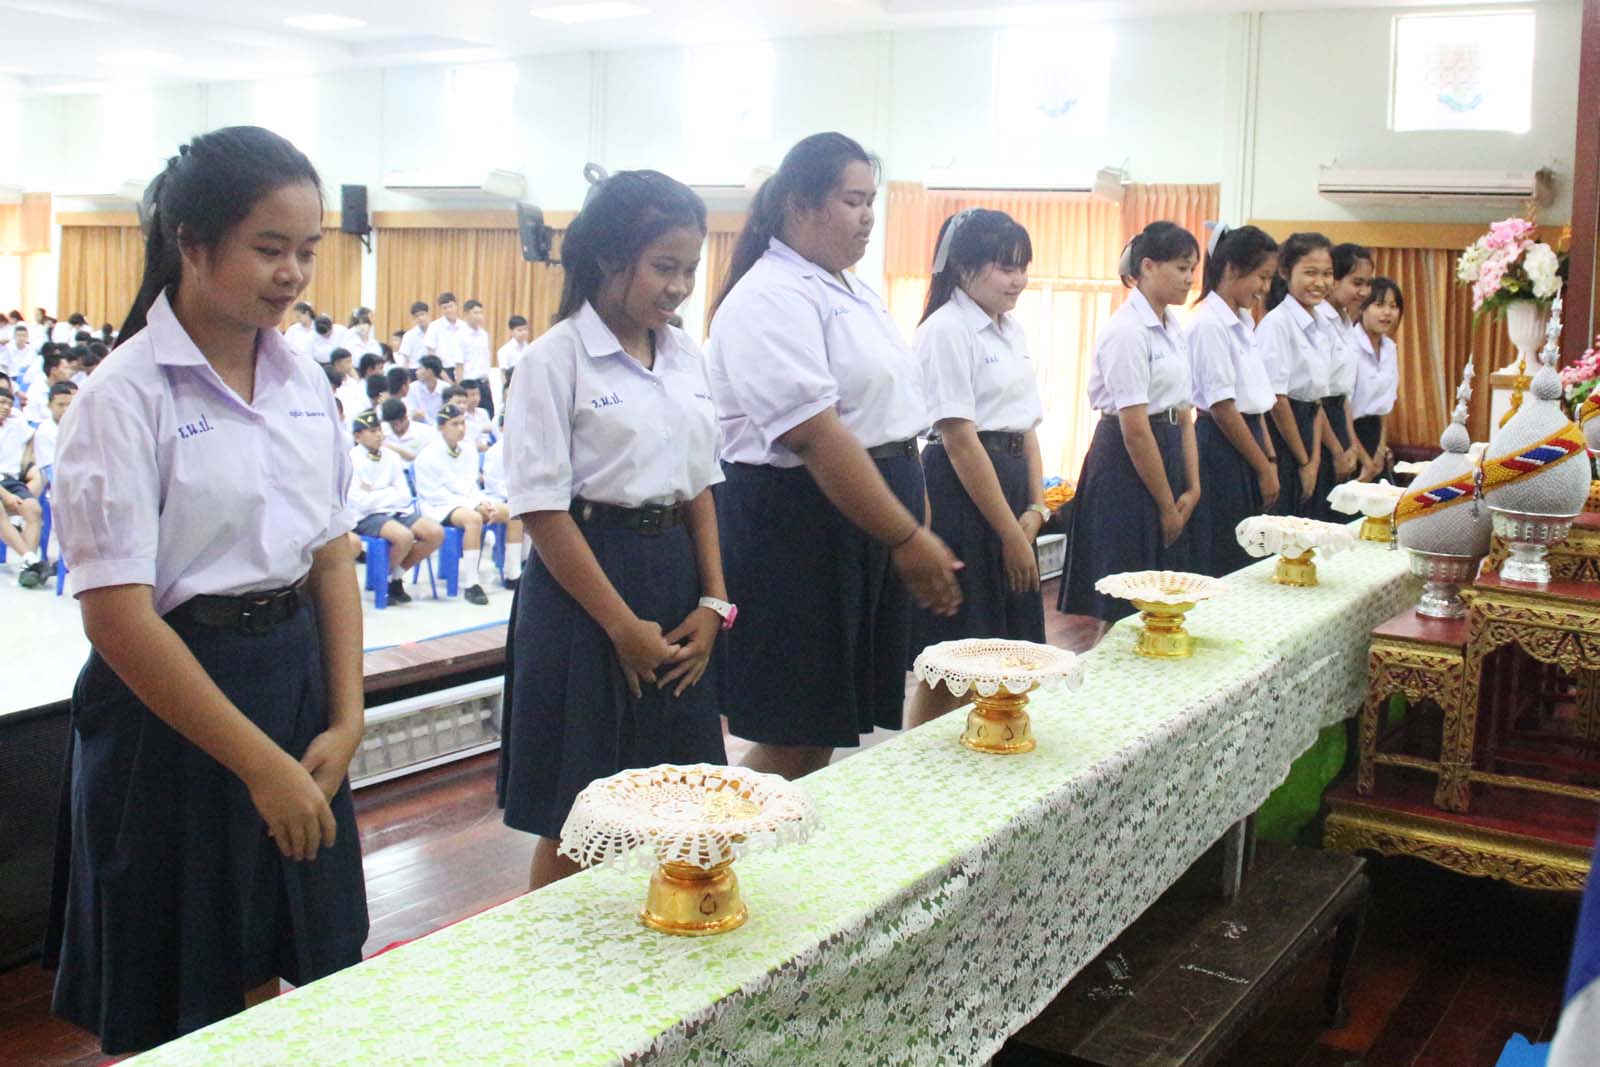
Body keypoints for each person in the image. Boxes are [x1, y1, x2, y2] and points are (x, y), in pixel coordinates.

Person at [43, 125, 368, 1055]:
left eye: (307, 250)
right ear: (190, 242)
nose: (292, 273)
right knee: (180, 982)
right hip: (175, 706)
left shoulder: (303, 380)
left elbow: (331, 556)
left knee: (283, 945)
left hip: (292, 680)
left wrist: (347, 719)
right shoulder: (124, 396)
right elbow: (118, 618)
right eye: (269, 248)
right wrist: (261, 766)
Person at [499, 167, 729, 888]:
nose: (679, 286)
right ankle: (554, 951)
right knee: (583, 817)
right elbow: (543, 511)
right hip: (586, 591)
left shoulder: (685, 355)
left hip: (675, 577)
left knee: (683, 797)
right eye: (664, 266)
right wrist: (621, 627)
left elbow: (700, 484)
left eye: (689, 268)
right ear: (609, 258)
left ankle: (665, 933)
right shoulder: (554, 360)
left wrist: (714, 602)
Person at [709, 132, 961, 780]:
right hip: (801, 526)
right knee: (796, 732)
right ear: (800, 203)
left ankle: (779, 838)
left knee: (821, 730)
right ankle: (722, 837)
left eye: (871, 201)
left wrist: (913, 515)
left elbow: (892, 419)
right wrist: (906, 534)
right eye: (853, 201)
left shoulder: (850, 290)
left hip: (860, 515)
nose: (868, 216)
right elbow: (815, 436)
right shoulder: (770, 296)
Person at [904, 208, 1047, 729]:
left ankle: (992, 747)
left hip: (1010, 492)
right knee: (955, 664)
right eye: (1005, 267)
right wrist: (1010, 533)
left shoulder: (1011, 330)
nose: (1018, 280)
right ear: (963, 268)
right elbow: (960, 440)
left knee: (1009, 655)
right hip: (963, 496)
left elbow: (1027, 426)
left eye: (1023, 267)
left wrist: (1036, 508)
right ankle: (926, 764)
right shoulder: (946, 330)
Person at [1058, 220, 1200, 627]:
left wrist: (1193, 487)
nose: (1189, 278)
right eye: (1181, 268)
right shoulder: (1127, 330)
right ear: (1148, 266)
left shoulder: (1173, 327)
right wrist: (1166, 506)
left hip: (1168, 451)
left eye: (1192, 269)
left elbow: (1184, 412)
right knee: (1126, 599)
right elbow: (1135, 428)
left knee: (1165, 596)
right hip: (1126, 461)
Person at [1186, 224, 1280, 576]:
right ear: (1231, 269)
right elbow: (1223, 408)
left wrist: (1269, 459)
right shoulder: (1209, 324)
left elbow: (1257, 400)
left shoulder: (1242, 321)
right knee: (1226, 549)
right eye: (1261, 277)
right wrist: (1263, 467)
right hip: (1221, 445)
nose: (1265, 288)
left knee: (1251, 550)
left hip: (1249, 440)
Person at [1256, 232, 1335, 517]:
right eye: (1310, 273)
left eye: (1327, 274)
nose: (1320, 282)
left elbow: (1316, 400)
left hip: (1309, 430)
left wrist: (1313, 459)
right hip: (1282, 433)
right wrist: (1304, 461)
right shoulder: (1277, 323)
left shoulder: (1322, 323)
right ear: (1285, 272)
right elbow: (1276, 400)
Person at [348, 410, 444, 603]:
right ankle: (382, 582)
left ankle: (395, 577)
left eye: (379, 430)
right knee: (403, 537)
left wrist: (376, 492)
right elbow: (361, 501)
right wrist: (389, 492)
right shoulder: (351, 459)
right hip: (367, 516)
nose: (378, 435)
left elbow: (404, 495)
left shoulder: (391, 456)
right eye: (372, 431)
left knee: (435, 533)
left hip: (397, 511)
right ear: (358, 436)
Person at [413, 403, 500, 606]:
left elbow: (470, 486)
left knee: (506, 511)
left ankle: (514, 572)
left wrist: (481, 502)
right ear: (441, 427)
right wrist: (472, 505)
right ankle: (471, 583)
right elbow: (433, 494)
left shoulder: (469, 451)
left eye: (462, 423)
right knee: (474, 519)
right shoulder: (427, 456)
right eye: (455, 424)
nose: (461, 429)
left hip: (466, 502)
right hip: (439, 506)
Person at [1312, 243, 1374, 518]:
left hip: (1338, 418)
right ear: (1334, 280)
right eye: (1356, 283)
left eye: (1367, 284)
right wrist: (1337, 450)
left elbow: (1343, 395)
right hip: (1318, 422)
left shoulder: (1347, 321)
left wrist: (1351, 444)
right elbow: (1318, 396)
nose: (1364, 292)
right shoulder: (1318, 320)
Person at [1352, 277, 1403, 481]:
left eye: (1393, 306)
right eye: (1379, 304)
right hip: (1348, 437)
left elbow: (1384, 407)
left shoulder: (1390, 348)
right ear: (1362, 308)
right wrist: (1364, 460)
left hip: (1375, 438)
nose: (1387, 312)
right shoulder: (1349, 344)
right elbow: (1340, 408)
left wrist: (1380, 451)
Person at [0, 384, 48, 586]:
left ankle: (27, 566)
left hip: (11, 479)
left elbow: (31, 436)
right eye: (2, 402)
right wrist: (6, 496)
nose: (6, 407)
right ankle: (31, 560)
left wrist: (27, 459)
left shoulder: (15, 422)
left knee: (33, 509)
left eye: (9, 404)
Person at [30, 379, 78, 470]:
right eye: (60, 405)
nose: (65, 409)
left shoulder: (79, 425)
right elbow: (49, 468)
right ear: (49, 405)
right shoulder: (44, 432)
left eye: (69, 405)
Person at [424, 291, 465, 379]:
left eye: (451, 306)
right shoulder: (434, 326)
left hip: (462, 371)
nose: (449, 310)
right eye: (445, 308)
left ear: (456, 306)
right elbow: (431, 354)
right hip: (442, 371)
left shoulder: (464, 326)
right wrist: (445, 377)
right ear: (441, 309)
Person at [379, 396, 434, 461]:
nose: (397, 427)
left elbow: (428, 461)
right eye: (393, 424)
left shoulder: (425, 431)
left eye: (399, 422)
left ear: (405, 417)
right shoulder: (381, 431)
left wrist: (395, 450)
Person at [497, 314, 531, 394]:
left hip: (527, 387)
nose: (523, 332)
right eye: (519, 330)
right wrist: (507, 390)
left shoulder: (530, 349)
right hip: (511, 388)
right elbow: (503, 374)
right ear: (511, 332)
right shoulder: (504, 350)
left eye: (525, 329)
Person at [409, 354, 447, 425]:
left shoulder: (446, 389)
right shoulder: (412, 388)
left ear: (429, 371)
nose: (416, 372)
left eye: (420, 369)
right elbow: (410, 412)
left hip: (440, 427)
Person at [397, 300, 429, 368]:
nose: (420, 318)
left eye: (422, 314)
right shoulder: (408, 336)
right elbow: (406, 360)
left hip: (433, 369)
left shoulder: (435, 331)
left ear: (428, 314)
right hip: (415, 369)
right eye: (417, 316)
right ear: (413, 318)